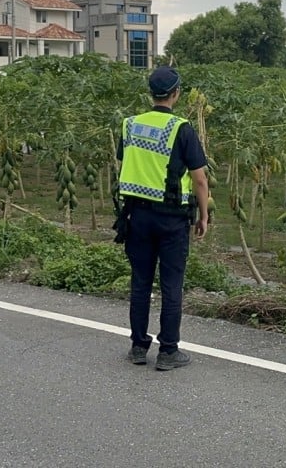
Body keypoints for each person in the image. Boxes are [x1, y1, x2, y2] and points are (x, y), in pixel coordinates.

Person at [116, 66, 209, 370]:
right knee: (171, 285)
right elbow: (199, 179)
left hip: (136, 216)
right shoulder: (182, 129)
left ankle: (138, 347)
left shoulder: (129, 125)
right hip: (172, 219)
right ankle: (168, 351)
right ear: (176, 93)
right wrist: (204, 215)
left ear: (150, 93)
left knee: (140, 283)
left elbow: (125, 161)